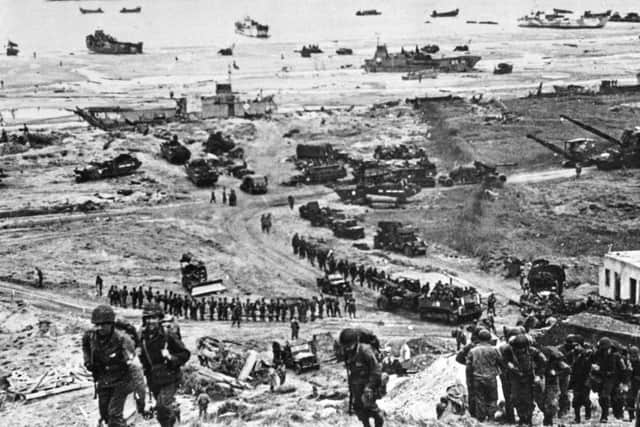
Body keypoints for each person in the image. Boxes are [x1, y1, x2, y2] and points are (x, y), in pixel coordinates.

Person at [82, 305, 135, 427]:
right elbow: (85, 346)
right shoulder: (90, 336)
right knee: (105, 414)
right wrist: (87, 360)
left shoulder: (122, 339)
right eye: (97, 325)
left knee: (114, 415)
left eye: (103, 325)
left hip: (121, 380)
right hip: (103, 379)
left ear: (111, 324)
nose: (99, 328)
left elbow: (133, 362)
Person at [139, 302, 190, 427]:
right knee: (163, 411)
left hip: (171, 377)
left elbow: (185, 354)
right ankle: (174, 418)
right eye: (148, 318)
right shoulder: (142, 337)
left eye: (154, 318)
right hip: (154, 379)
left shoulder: (168, 335)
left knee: (162, 408)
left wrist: (171, 357)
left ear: (159, 319)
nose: (151, 321)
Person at [339, 328, 384, 427]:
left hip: (368, 384)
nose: (347, 348)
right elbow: (351, 370)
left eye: (349, 346)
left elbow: (376, 370)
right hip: (356, 385)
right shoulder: (348, 352)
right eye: (345, 346)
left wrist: (370, 387)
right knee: (359, 410)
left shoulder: (365, 350)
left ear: (355, 342)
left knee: (372, 409)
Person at [465, 329, 502, 422]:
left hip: (477, 378)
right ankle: (491, 418)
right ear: (489, 338)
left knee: (480, 399)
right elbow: (501, 363)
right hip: (491, 378)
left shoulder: (472, 351)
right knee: (492, 399)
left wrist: (469, 381)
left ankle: (481, 420)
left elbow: (468, 368)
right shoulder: (494, 350)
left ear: (478, 338)